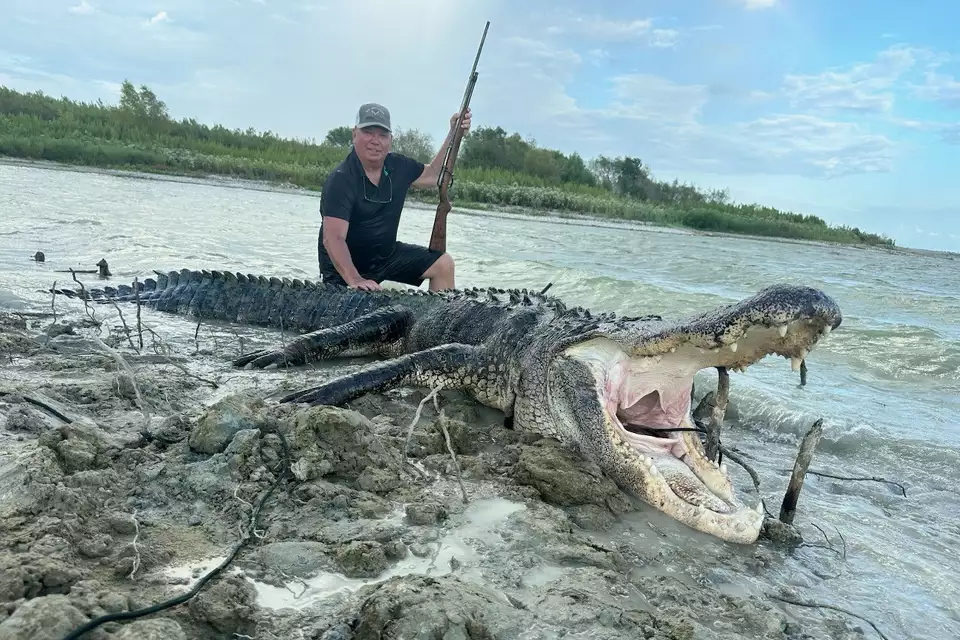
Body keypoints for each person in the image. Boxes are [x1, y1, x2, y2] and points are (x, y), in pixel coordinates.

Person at [317, 102, 472, 292]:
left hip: (385, 258)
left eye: (382, 135)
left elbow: (434, 176)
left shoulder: (398, 166)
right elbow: (333, 238)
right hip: (344, 272)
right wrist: (355, 279)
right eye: (368, 132)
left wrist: (454, 135)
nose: (375, 140)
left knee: (444, 264)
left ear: (390, 139)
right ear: (354, 134)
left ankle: (439, 320)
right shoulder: (340, 180)